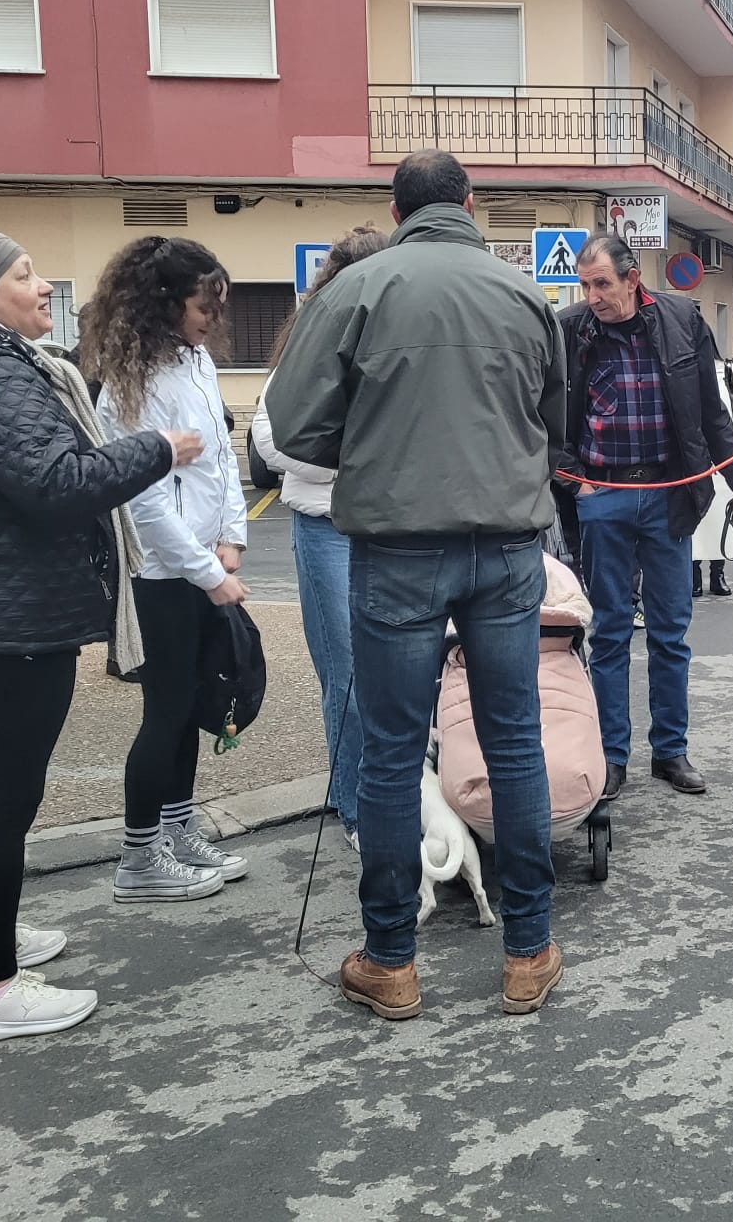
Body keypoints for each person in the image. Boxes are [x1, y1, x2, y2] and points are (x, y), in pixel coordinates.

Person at [270, 150, 569, 1020]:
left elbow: (291, 424)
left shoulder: (357, 290)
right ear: (470, 205)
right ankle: (529, 953)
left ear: (395, 211)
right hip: (509, 546)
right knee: (514, 740)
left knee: (393, 752)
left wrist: (371, 448)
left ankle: (392, 961)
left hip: (397, 547)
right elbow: (549, 419)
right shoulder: (522, 293)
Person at [0, 231, 201, 1046]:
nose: (41, 286)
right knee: (1, 803)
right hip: (2, 622)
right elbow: (55, 485)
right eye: (23, 275)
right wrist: (156, 449)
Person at [557, 235, 733, 800]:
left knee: (671, 633)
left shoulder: (678, 318)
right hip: (602, 500)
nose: (593, 296)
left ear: (632, 279)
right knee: (611, 634)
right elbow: (541, 416)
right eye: (585, 285)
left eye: (602, 283)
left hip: (669, 497)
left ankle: (670, 752)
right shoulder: (568, 329)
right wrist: (572, 477)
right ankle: (612, 757)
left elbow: (710, 410)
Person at [79, 237, 250, 903]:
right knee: (166, 709)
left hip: (202, 562)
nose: (212, 314)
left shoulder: (196, 360)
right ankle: (139, 855)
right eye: (202, 302)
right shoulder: (133, 383)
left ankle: (175, 831)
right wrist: (208, 574)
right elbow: (144, 504)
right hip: (159, 574)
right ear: (164, 302)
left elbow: (221, 458)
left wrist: (231, 536)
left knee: (191, 706)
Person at [250, 223, 389, 850]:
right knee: (349, 674)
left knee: (401, 675)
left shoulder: (398, 336)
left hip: (394, 529)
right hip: (329, 527)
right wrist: (359, 457)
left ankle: (387, 794)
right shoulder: (307, 341)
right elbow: (271, 440)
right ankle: (358, 809)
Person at [691, 353, 733, 598]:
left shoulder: (727, 373)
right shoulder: (686, 372)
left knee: (724, 521)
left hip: (725, 459)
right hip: (695, 459)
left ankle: (718, 573)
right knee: (695, 525)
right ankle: (692, 575)